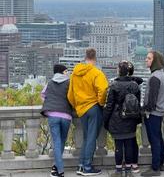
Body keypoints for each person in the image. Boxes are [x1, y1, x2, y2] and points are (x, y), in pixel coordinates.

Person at [67, 48, 109, 176]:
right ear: (95, 58)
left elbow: (70, 95)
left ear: (85, 57)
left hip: (81, 110)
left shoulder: (74, 73)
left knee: (86, 137)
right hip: (93, 108)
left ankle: (81, 165)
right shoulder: (97, 73)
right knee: (91, 137)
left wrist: (77, 106)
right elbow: (103, 89)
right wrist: (100, 103)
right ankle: (87, 167)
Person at [104, 61, 142, 177]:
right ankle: (129, 170)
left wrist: (105, 120)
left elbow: (109, 105)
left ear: (119, 71)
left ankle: (119, 171)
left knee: (119, 145)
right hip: (131, 119)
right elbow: (137, 104)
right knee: (130, 144)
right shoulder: (135, 85)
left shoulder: (114, 85)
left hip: (117, 119)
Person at [41, 64, 72, 177]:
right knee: (62, 141)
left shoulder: (49, 83)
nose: (67, 73)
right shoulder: (69, 83)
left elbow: (43, 95)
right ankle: (58, 168)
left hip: (53, 115)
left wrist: (50, 102)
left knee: (56, 142)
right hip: (66, 115)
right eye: (66, 71)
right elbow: (72, 97)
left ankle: (59, 169)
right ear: (62, 72)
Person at [141, 50, 164, 177]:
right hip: (159, 113)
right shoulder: (161, 74)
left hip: (153, 114)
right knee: (159, 138)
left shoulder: (154, 78)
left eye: (149, 58)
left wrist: (142, 109)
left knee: (154, 140)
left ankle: (155, 167)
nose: (146, 60)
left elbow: (152, 101)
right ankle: (161, 162)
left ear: (155, 61)